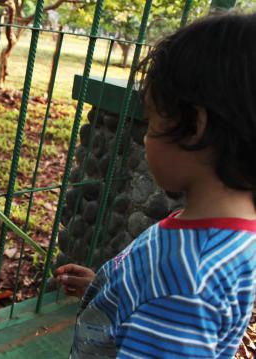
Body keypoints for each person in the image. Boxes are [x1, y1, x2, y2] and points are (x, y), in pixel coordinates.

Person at [55, 13, 256, 358]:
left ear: (195, 127)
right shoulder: (225, 234)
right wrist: (108, 291)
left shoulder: (184, 284)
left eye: (150, 122)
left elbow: (170, 307)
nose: (146, 138)